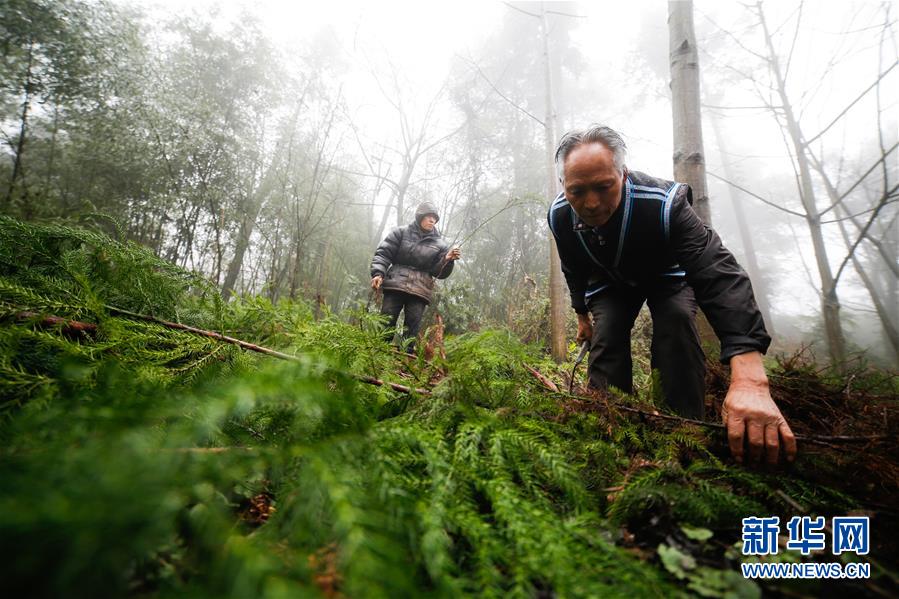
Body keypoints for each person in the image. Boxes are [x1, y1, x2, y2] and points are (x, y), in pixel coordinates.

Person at [547, 124, 796, 465]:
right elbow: (573, 267)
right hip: (611, 280)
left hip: (668, 275)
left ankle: (683, 433)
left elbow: (716, 271)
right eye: (577, 191)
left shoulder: (665, 203)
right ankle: (607, 427)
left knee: (676, 322)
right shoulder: (560, 215)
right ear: (563, 186)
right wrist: (580, 314)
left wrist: (750, 373)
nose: (591, 203)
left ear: (623, 173)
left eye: (604, 187)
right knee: (607, 336)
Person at [370, 202, 461, 353]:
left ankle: (405, 361)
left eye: (435, 218)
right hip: (395, 284)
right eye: (429, 217)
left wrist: (448, 259)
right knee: (386, 320)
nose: (432, 220)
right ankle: (378, 355)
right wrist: (378, 274)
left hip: (420, 290)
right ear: (420, 217)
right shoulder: (400, 233)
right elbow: (383, 254)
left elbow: (439, 273)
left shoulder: (441, 245)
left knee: (412, 328)